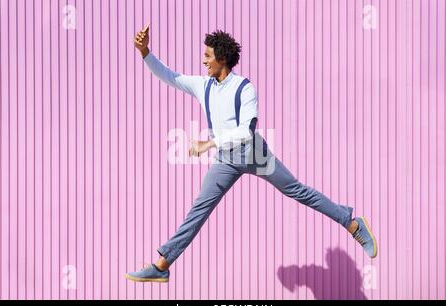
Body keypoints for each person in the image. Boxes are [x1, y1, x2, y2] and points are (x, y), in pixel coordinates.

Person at [125, 25, 377, 283]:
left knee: (297, 191)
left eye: (208, 56)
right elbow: (170, 76)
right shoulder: (204, 86)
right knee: (198, 210)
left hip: (253, 153)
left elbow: (246, 131)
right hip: (225, 160)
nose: (204, 61)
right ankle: (161, 265)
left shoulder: (245, 88)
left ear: (222, 58)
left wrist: (208, 143)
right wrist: (145, 52)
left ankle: (352, 223)